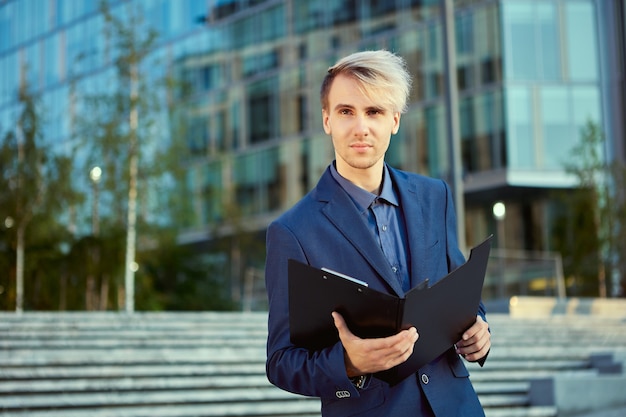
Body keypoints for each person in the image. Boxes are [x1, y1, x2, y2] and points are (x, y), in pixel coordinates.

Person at [264, 50, 490, 417]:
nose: (361, 128)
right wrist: (349, 363)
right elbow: (281, 362)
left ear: (395, 121)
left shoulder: (436, 196)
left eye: (374, 112)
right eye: (346, 111)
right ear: (326, 120)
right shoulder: (292, 231)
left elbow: (463, 295)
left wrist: (479, 328)